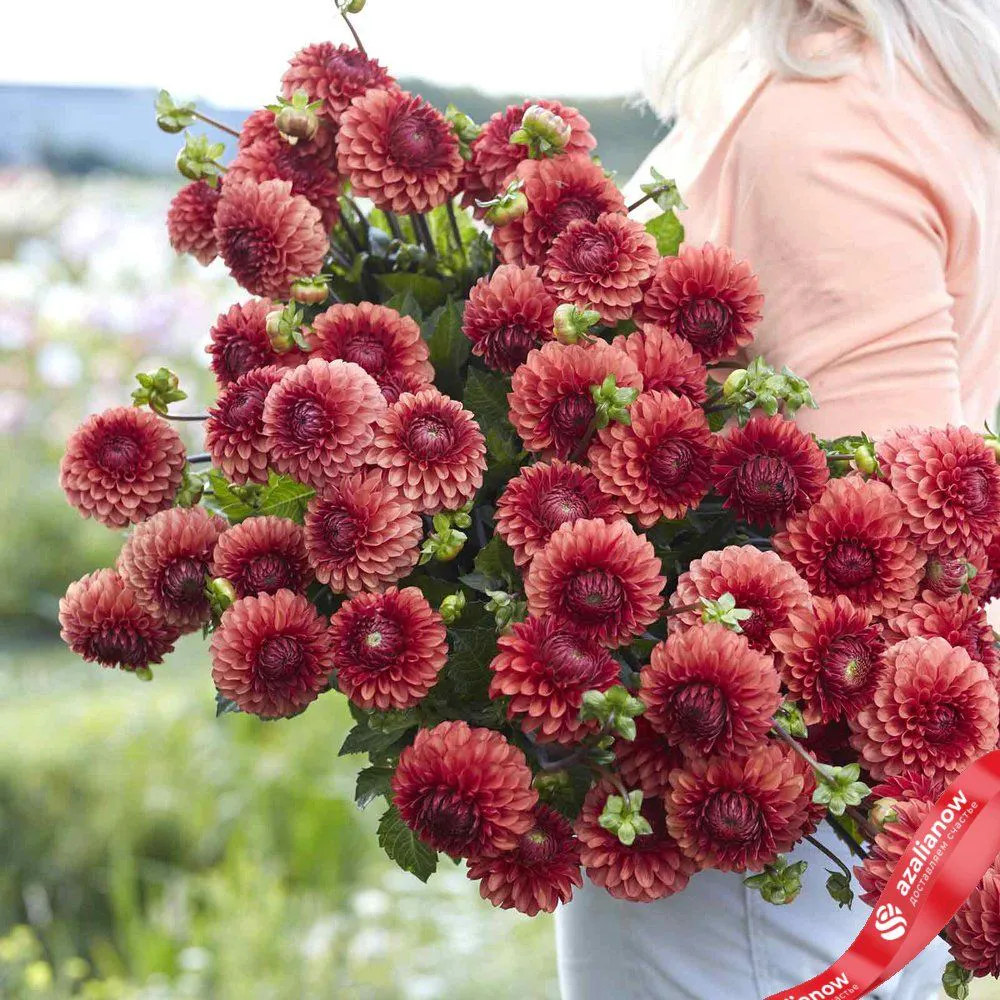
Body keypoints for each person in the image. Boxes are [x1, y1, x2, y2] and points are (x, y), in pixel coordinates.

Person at [555, 2, 1000, 998]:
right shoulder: (898, 79)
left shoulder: (825, 117)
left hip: (753, 830)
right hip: (781, 818)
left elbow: (884, 546)